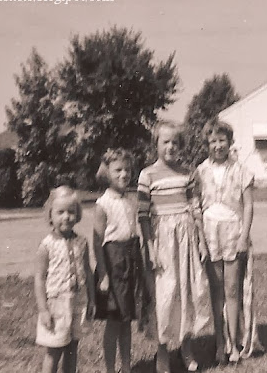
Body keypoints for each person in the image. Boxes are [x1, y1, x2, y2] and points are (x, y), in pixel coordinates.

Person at [138, 121, 212, 373]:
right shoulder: (147, 175)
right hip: (162, 243)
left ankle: (186, 347)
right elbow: (143, 216)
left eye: (175, 142)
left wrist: (201, 240)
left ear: (181, 146)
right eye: (165, 142)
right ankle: (162, 352)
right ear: (156, 144)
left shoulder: (188, 173)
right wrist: (149, 247)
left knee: (187, 292)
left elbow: (195, 208)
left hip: (186, 240)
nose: (170, 147)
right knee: (165, 296)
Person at [193, 118, 262, 365]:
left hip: (234, 232)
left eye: (222, 140)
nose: (218, 145)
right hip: (210, 233)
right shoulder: (200, 172)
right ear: (207, 144)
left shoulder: (241, 171)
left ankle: (234, 342)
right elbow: (196, 207)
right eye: (213, 141)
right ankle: (219, 343)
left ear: (230, 142)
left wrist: (244, 236)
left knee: (233, 290)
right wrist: (200, 238)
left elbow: (249, 205)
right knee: (216, 290)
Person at [93, 148, 148, 373]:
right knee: (114, 321)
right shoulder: (102, 204)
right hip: (113, 263)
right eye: (118, 170)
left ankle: (126, 366)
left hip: (131, 259)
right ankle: (109, 368)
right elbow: (97, 243)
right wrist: (104, 276)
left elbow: (135, 233)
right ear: (107, 173)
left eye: (127, 169)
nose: (124, 174)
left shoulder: (131, 200)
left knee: (127, 321)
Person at [34, 185, 95, 373]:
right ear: (50, 215)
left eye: (71, 211)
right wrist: (43, 309)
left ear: (77, 214)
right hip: (56, 305)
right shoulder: (47, 246)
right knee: (53, 350)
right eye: (60, 212)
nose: (66, 216)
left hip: (77, 302)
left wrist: (92, 299)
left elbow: (87, 270)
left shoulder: (82, 242)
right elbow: (39, 278)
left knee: (72, 348)